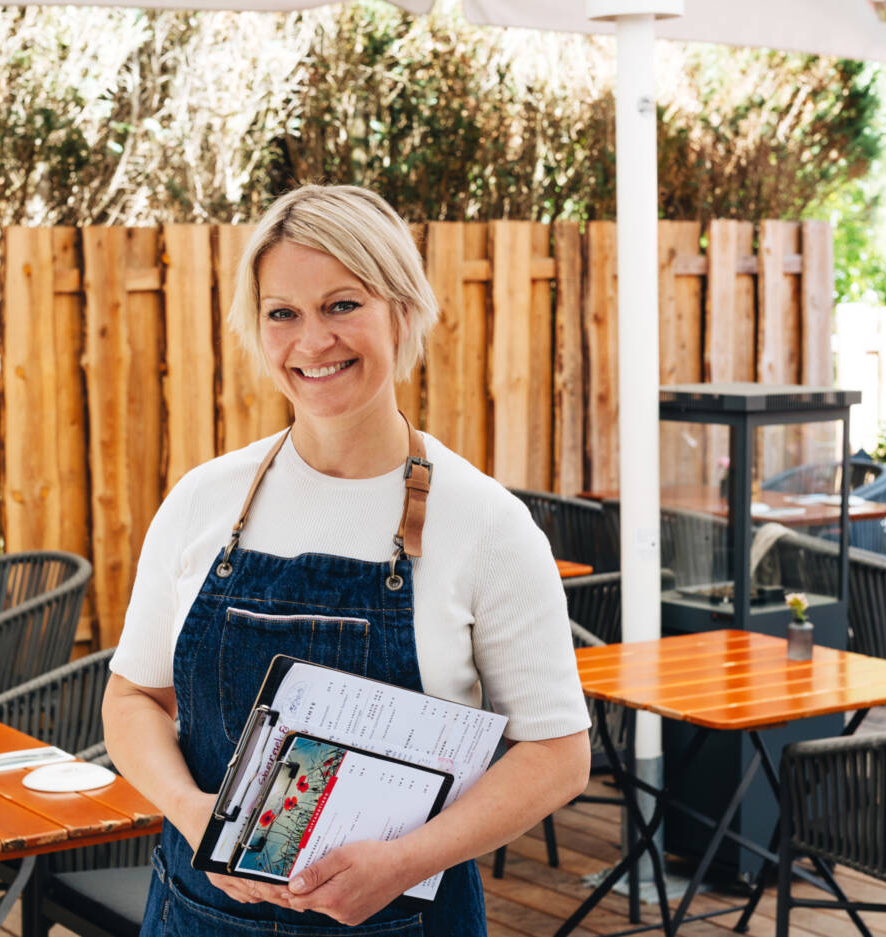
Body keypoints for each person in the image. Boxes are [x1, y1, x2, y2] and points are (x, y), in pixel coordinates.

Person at [103, 184, 591, 935]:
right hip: (200, 912)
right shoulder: (204, 502)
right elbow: (132, 697)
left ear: (402, 309)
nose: (312, 342)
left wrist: (408, 859)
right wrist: (194, 812)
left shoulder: (489, 524)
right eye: (282, 313)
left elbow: (557, 753)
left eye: (342, 305)